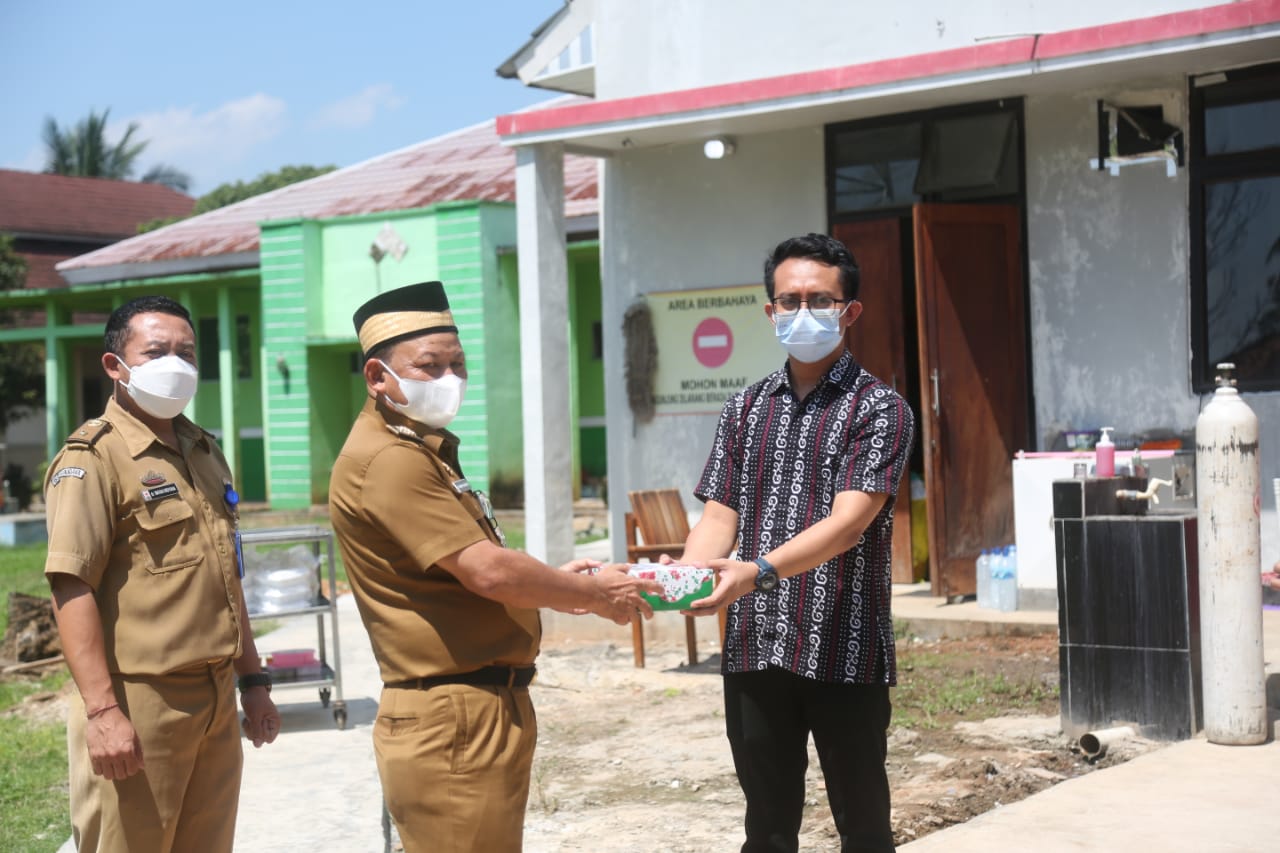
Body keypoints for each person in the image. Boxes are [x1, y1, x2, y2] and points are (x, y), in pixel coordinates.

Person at [329, 280, 661, 853]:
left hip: (476, 706)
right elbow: (488, 572)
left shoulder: (418, 448)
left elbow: (461, 577)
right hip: (451, 714)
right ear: (379, 378)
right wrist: (590, 595)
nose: (449, 379)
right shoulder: (389, 459)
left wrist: (554, 579)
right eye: (429, 366)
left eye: (457, 364)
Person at [680, 233, 914, 852]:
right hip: (756, 644)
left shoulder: (880, 410)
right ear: (769, 310)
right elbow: (718, 516)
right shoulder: (744, 408)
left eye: (818, 299)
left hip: (845, 643)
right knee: (767, 826)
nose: (802, 312)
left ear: (849, 311)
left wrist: (754, 572)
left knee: (863, 825)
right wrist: (681, 579)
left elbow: (849, 523)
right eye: (788, 301)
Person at [44, 294, 280, 853]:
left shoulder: (203, 450)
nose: (175, 364)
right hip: (139, 702)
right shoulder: (92, 459)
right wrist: (103, 713)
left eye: (186, 352)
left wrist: (254, 681)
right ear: (115, 366)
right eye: (156, 352)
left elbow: (228, 576)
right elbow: (71, 586)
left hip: (217, 697)